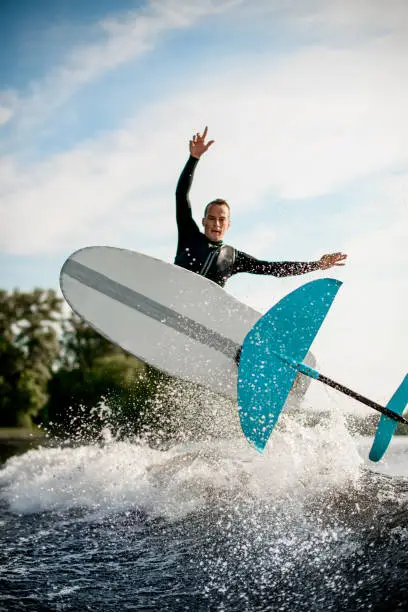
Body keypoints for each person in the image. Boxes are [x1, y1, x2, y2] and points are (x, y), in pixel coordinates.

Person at [175, 126, 347, 287]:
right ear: (204, 221)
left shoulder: (233, 257)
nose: (217, 224)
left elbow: (273, 269)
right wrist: (194, 158)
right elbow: (181, 195)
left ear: (229, 224)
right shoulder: (189, 235)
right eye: (212, 219)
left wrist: (317, 265)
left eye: (222, 220)